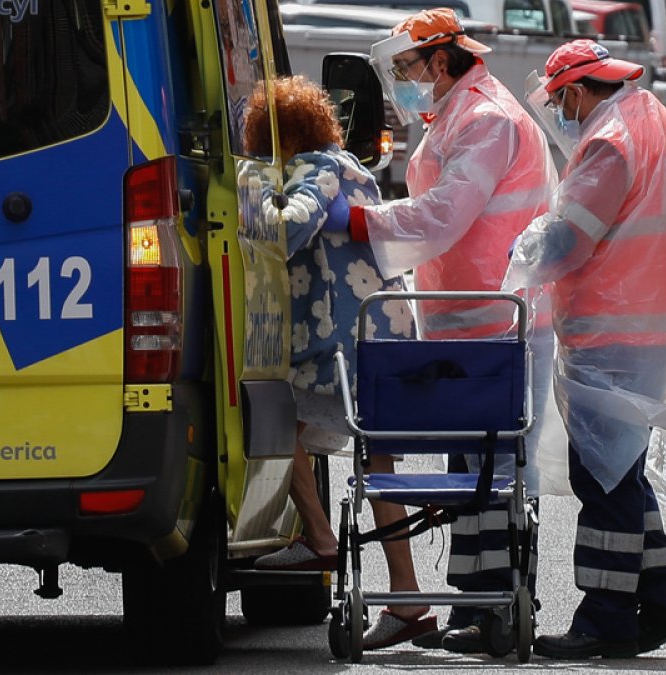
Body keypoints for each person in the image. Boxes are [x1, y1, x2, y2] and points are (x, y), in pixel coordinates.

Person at [502, 39, 666, 659]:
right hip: (652, 327)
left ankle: (604, 618)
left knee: (603, 477)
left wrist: (521, 255)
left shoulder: (611, 141)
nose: (560, 110)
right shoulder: (664, 128)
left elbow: (568, 241)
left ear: (581, 90)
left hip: (613, 329)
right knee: (621, 471)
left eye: (560, 99)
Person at [343, 8, 568, 654]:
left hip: (496, 323)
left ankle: (495, 608)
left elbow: (444, 214)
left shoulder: (486, 119)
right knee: (476, 469)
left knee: (494, 469)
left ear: (442, 63)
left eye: (408, 69)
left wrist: (363, 223)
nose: (402, 84)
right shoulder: (461, 114)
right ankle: (478, 604)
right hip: (470, 324)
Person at [243, 75, 440, 650]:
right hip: (378, 336)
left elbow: (286, 228)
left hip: (339, 342)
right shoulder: (348, 163)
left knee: (274, 420)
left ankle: (321, 537)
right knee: (378, 462)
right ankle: (406, 596)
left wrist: (245, 192)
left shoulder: (313, 168)